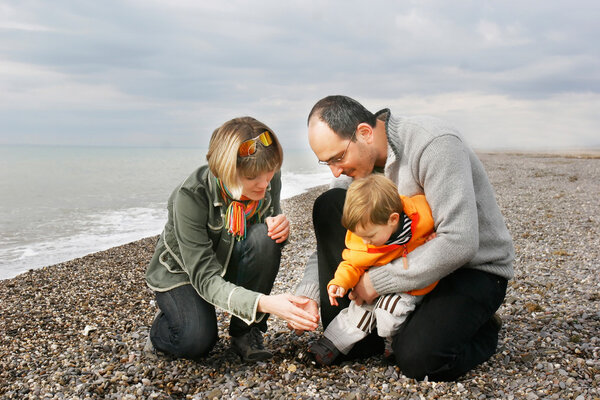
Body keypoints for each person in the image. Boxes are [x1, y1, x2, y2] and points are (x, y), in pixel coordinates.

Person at [294, 95, 515, 381]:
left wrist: (375, 282)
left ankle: (483, 329)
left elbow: (460, 241)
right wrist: (307, 293)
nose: (336, 170)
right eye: (327, 163)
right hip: (398, 261)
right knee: (330, 203)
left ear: (364, 133)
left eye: (338, 158)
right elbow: (348, 245)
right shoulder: (351, 173)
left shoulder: (434, 144)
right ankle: (386, 327)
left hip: (469, 270)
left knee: (418, 360)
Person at [145, 116, 318, 363]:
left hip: (229, 257)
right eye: (253, 178)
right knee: (196, 342)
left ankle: (245, 333)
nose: (264, 184)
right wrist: (266, 303)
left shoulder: (266, 178)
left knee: (265, 238)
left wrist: (279, 228)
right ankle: (164, 328)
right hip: (184, 273)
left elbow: (267, 223)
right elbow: (205, 278)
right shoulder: (190, 196)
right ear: (225, 170)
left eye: (270, 173)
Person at [304, 174, 438, 366]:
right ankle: (330, 344)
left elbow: (446, 228)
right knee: (357, 312)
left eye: (370, 236)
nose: (365, 241)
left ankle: (394, 345)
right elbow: (351, 262)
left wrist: (436, 236)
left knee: (390, 311)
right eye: (361, 236)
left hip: (410, 286)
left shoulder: (422, 214)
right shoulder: (364, 239)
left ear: (393, 219)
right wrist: (340, 283)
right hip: (377, 286)